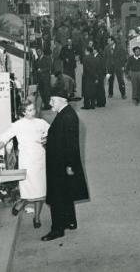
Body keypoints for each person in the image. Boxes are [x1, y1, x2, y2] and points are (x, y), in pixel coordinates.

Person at [41, 87, 88, 241]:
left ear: (62, 101)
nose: (49, 103)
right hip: (62, 162)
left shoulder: (66, 117)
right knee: (66, 192)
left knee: (57, 196)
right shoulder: (66, 113)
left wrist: (69, 165)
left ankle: (57, 229)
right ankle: (70, 221)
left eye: (52, 100)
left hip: (60, 163)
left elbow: (71, 144)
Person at [0, 98, 49, 229]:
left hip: (39, 159)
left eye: (34, 109)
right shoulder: (18, 125)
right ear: (23, 112)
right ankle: (21, 203)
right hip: (26, 161)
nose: (33, 112)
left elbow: (51, 132)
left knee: (40, 190)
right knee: (27, 188)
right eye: (29, 110)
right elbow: (5, 136)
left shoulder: (41, 122)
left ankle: (36, 217)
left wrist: (46, 139)